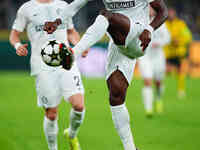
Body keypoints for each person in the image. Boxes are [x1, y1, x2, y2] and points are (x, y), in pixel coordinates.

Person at [44, 0, 168, 149]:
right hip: (119, 46)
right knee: (116, 96)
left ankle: (73, 54)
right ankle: (130, 147)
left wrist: (150, 28)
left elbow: (163, 11)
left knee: (106, 16)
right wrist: (57, 22)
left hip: (140, 38)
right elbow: (76, 4)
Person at [9, 0, 89, 150]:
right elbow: (14, 35)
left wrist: (80, 45)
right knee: (51, 113)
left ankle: (71, 135)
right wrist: (18, 45)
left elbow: (71, 32)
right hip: (41, 65)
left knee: (79, 105)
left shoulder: (63, 5)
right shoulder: (26, 9)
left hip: (66, 61)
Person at [138, 7, 170, 117]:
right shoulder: (141, 22)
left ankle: (159, 98)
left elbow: (167, 38)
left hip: (158, 57)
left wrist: (159, 43)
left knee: (158, 82)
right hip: (145, 56)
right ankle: (148, 109)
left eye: (151, 8)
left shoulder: (160, 22)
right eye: (148, 8)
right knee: (147, 81)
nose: (150, 10)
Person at [164, 7, 192, 98]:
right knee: (164, 71)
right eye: (170, 13)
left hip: (178, 52)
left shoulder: (181, 24)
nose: (171, 15)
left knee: (180, 72)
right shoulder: (164, 24)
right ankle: (163, 89)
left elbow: (188, 37)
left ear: (175, 14)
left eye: (172, 13)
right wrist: (171, 40)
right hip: (168, 52)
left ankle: (181, 90)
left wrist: (179, 41)